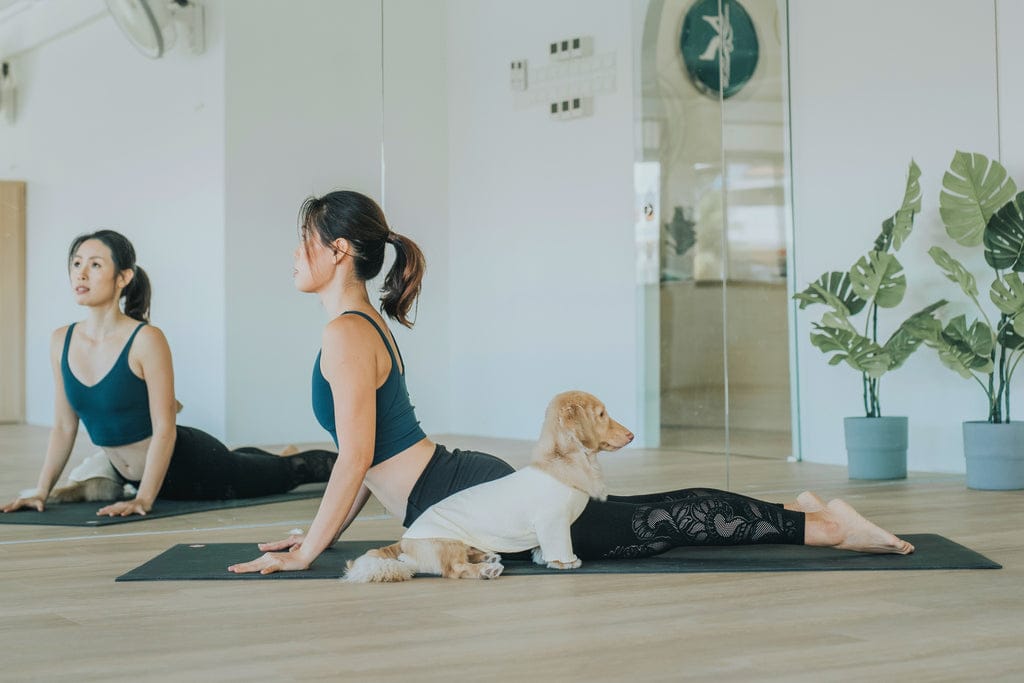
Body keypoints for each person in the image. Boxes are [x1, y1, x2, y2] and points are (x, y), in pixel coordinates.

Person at [228, 191, 913, 575]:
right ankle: (804, 513)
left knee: (647, 524)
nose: (295, 253)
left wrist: (310, 551)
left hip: (464, 492)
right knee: (640, 522)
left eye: (305, 239)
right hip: (456, 489)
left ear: (339, 250)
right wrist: (312, 539)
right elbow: (370, 466)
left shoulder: (347, 332)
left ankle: (824, 524)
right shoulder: (358, 325)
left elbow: (354, 459)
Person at [2, 230, 336, 518]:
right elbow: (63, 426)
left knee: (291, 473)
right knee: (258, 464)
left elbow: (164, 429)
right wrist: (41, 490)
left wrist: (144, 499)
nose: (81, 274)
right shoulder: (61, 340)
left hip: (195, 467)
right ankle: (273, 455)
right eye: (76, 263)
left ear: (124, 278)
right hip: (137, 476)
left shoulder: (146, 339)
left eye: (95, 264)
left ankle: (355, 466)